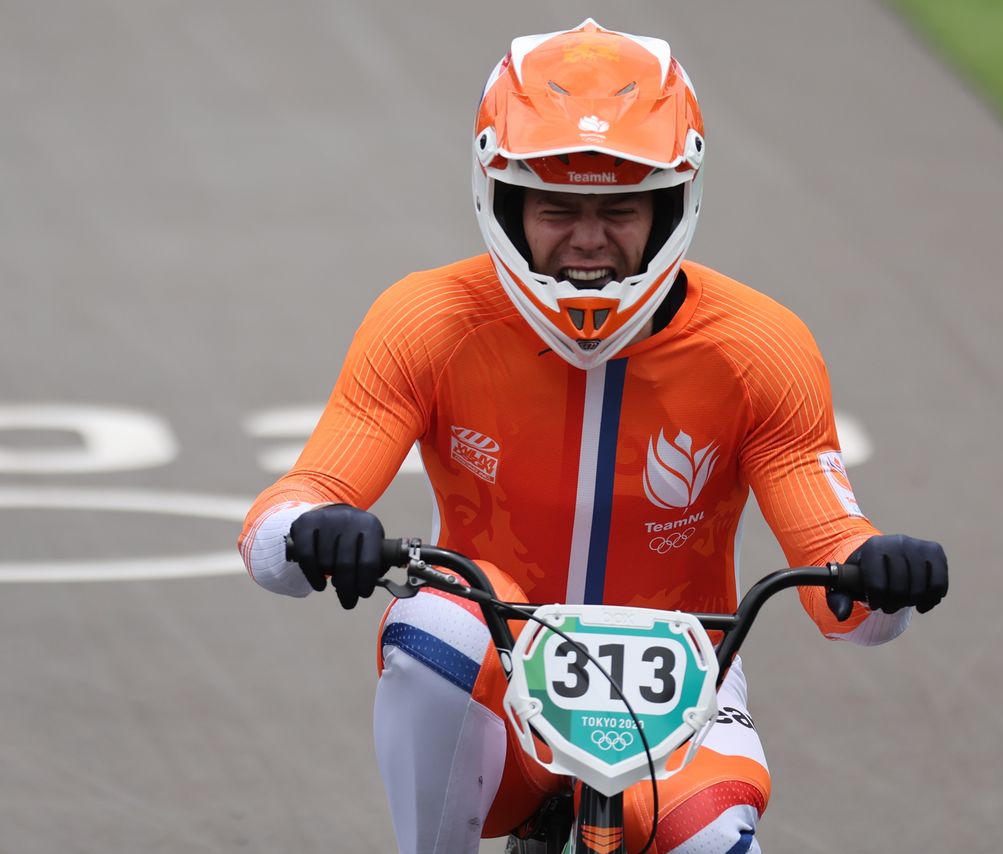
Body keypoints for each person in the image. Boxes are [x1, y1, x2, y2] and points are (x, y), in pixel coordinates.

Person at [239, 18, 948, 854]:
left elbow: (846, 597)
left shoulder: (760, 346)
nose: (587, 239)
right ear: (502, 199)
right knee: (435, 624)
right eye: (557, 207)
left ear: (672, 203)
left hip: (684, 696)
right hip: (494, 685)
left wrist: (881, 577)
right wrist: (315, 532)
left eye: (619, 209)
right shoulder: (426, 321)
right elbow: (277, 526)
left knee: (713, 841)